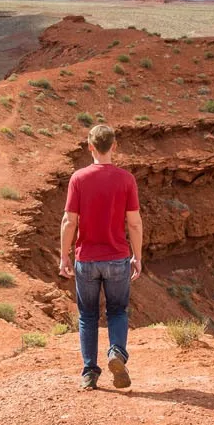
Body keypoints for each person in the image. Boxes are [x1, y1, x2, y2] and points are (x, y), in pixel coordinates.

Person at [59, 124, 143, 391]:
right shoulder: (126, 179)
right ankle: (116, 352)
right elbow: (134, 223)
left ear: (90, 147)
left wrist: (64, 255)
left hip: (87, 259)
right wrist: (137, 256)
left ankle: (89, 373)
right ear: (114, 146)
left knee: (88, 315)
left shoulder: (78, 179)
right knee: (117, 310)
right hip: (117, 257)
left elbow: (69, 221)